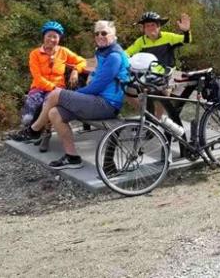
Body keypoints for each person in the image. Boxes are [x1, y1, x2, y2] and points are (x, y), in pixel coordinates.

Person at [11, 20, 130, 169]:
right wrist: (82, 82)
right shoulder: (103, 53)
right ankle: (72, 157)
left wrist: (74, 94)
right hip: (97, 99)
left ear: (114, 36)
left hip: (106, 104)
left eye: (104, 33)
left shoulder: (114, 56)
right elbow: (96, 77)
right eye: (97, 33)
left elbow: (98, 85)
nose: (100, 36)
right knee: (55, 113)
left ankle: (34, 130)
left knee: (55, 94)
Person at [20, 21, 86, 130]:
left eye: (55, 37)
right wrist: (53, 87)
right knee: (31, 108)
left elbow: (82, 61)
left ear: (59, 38)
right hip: (39, 87)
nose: (51, 39)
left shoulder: (63, 51)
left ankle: (42, 134)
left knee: (48, 107)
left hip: (57, 89)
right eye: (49, 36)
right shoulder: (35, 54)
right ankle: (28, 130)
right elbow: (37, 77)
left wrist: (75, 70)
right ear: (44, 37)